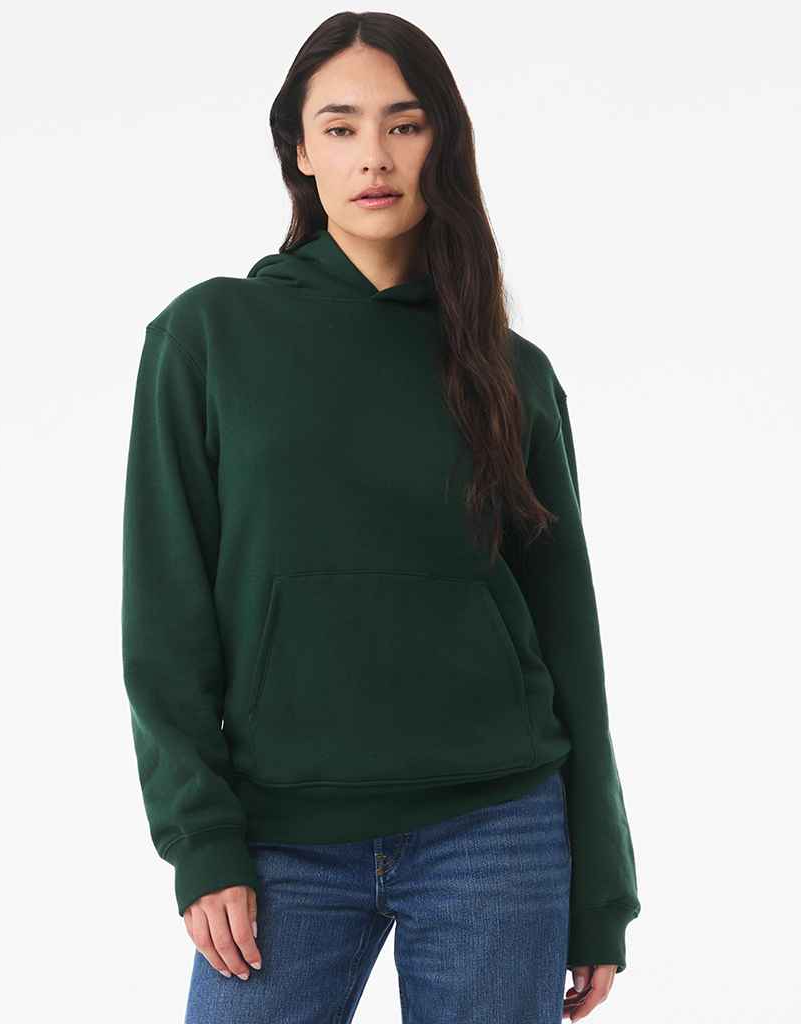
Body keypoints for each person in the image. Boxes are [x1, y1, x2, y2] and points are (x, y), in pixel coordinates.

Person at [121, 12, 640, 1023]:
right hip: (280, 834)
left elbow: (568, 635)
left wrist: (602, 891)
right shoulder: (209, 336)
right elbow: (164, 612)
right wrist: (202, 841)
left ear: (441, 142)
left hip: (497, 828)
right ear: (299, 149)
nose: (374, 156)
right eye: (342, 126)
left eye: (404, 125)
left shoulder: (509, 371)